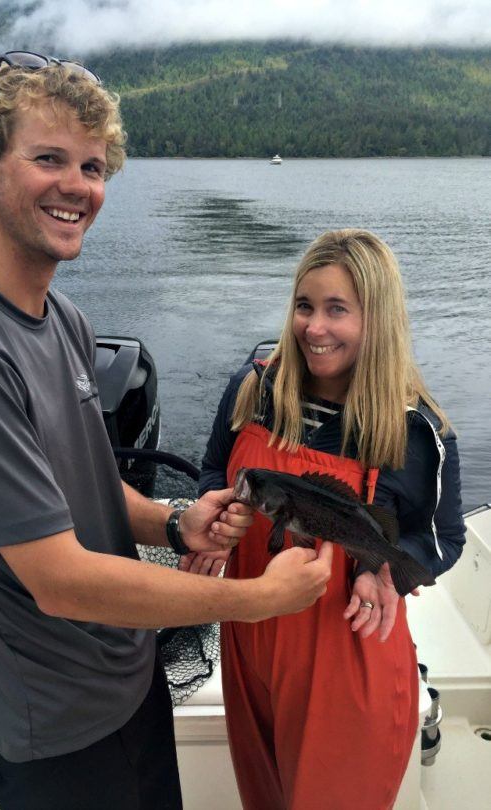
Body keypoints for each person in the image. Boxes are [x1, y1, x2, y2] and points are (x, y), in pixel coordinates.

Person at [0, 53, 333, 810]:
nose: (79, 186)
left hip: (129, 682)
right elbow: (60, 581)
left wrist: (176, 523)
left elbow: (83, 487)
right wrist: (256, 598)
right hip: (55, 735)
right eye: (48, 158)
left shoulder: (65, 321)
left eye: (92, 164)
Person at [198, 229, 465, 810]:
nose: (313, 329)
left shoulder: (415, 430)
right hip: (248, 645)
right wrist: (213, 520)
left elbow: (444, 537)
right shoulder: (254, 388)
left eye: (336, 310)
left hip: (349, 652)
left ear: (378, 319)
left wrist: (387, 574)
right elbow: (216, 469)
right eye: (304, 306)